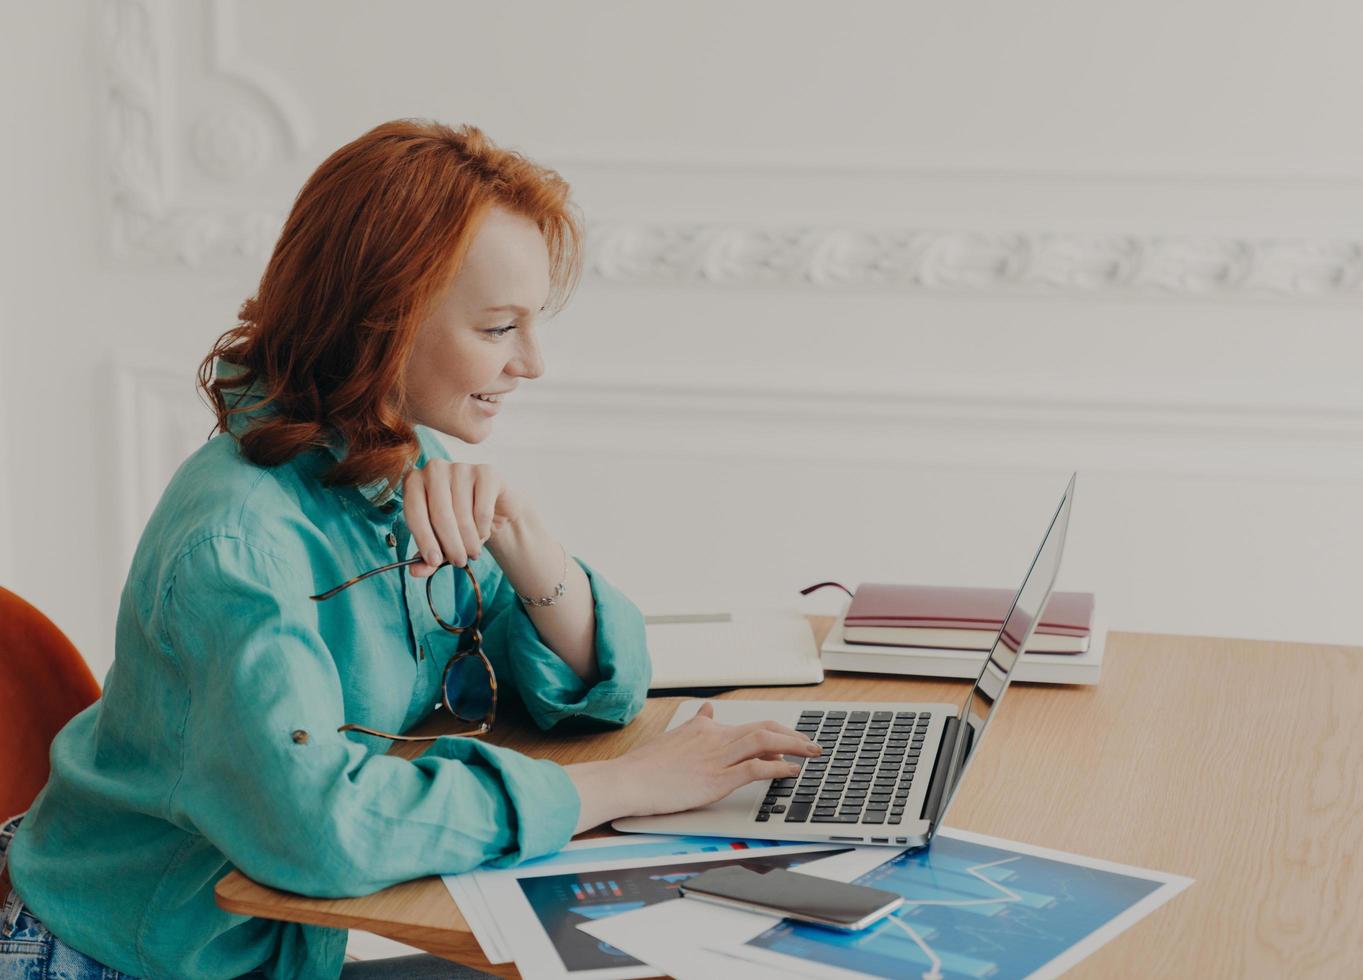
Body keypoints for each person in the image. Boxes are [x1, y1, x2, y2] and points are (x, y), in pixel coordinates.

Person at [0, 119, 820, 980]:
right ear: (379, 325)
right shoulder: (233, 544)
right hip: (115, 959)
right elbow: (318, 830)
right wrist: (629, 788)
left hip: (263, 947)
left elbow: (588, 694)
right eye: (500, 327)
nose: (533, 363)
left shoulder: (398, 463)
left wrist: (524, 542)